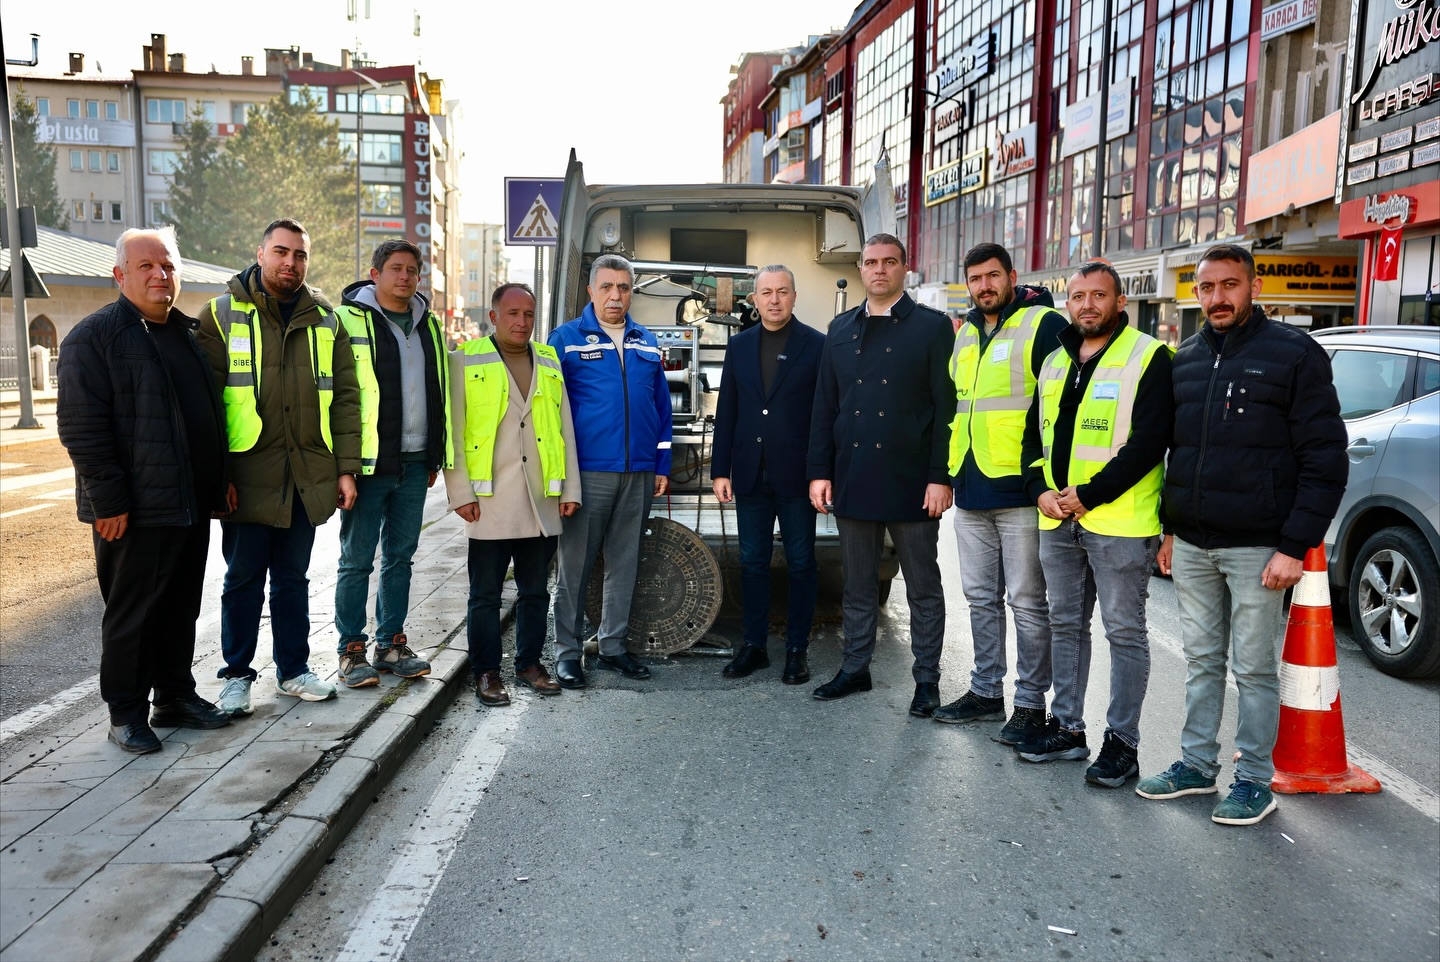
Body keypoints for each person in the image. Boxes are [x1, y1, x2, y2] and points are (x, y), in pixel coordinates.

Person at [1138, 244, 1347, 826]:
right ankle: (1197, 767)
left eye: (1229, 285)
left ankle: (1254, 778)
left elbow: (1325, 458)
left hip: (1260, 546)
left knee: (1253, 668)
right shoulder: (1184, 359)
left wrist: (1294, 545)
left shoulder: (1294, 355)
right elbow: (1177, 453)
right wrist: (1171, 531)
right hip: (1195, 543)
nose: (1217, 298)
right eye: (1206, 288)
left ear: (1252, 287)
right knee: (1202, 661)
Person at [57, 227, 234, 753]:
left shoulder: (185, 334)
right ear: (120, 275)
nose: (161, 275)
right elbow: (82, 427)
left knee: (180, 608)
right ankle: (126, 713)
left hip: (186, 502)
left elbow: (205, 417)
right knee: (133, 614)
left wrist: (217, 481)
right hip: (132, 509)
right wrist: (109, 501)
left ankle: (175, 695)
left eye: (168, 266)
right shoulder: (95, 337)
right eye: (147, 267)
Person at [196, 218, 362, 715]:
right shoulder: (221, 315)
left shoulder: (327, 321)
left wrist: (345, 469)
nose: (290, 263)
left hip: (304, 475)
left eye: (300, 255)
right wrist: (219, 475)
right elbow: (205, 405)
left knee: (293, 579)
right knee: (242, 580)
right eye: (281, 252)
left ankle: (293, 670)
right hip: (246, 477)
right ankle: (236, 677)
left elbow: (348, 401)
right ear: (261, 253)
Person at [1017, 261, 1173, 786]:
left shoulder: (1149, 356)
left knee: (1124, 633)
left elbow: (1149, 445)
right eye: (1078, 295)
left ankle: (1123, 743)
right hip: (1058, 519)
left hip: (1120, 523)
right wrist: (1039, 490)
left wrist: (1088, 495)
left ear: (1120, 301)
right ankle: (1067, 727)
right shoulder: (1056, 360)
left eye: (1098, 295)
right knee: (1066, 626)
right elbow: (1032, 438)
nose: (1087, 304)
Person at [807, 233, 956, 715]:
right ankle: (855, 669)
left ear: (904, 269)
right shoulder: (841, 327)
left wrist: (941, 476)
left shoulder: (932, 328)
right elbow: (826, 405)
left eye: (889, 262)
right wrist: (819, 472)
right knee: (856, 584)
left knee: (922, 586)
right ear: (861, 268)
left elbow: (945, 406)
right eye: (870, 262)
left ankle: (927, 680)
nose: (878, 270)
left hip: (913, 480)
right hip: (853, 474)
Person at [933, 243, 1066, 746]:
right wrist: (946, 475)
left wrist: (1046, 481)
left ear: (1012, 276)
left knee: (1028, 603)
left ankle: (1031, 704)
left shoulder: (1042, 324)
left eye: (993, 276)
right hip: (970, 486)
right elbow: (958, 407)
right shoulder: (965, 333)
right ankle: (986, 692)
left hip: (1022, 490)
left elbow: (1058, 404)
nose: (984, 286)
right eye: (975, 279)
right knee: (980, 599)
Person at [445, 284, 582, 705]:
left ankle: (528, 665)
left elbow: (564, 429)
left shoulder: (548, 359)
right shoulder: (464, 360)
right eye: (513, 314)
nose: (522, 322)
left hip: (540, 500)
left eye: (528, 314)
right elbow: (454, 432)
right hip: (489, 501)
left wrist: (570, 487)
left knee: (536, 591)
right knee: (485, 595)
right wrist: (459, 493)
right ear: (493, 316)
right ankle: (486, 672)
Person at [547, 254, 673, 688]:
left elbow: (661, 406)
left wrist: (661, 463)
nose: (615, 296)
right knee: (575, 568)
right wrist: (561, 476)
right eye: (607, 287)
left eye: (623, 288)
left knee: (625, 563)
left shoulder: (645, 340)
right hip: (587, 474)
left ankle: (613, 646)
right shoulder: (564, 340)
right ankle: (566, 654)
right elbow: (550, 412)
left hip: (637, 472)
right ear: (591, 290)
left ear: (631, 291)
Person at [332, 240, 452, 688]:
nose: (405, 277)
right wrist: (342, 466)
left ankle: (391, 645)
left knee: (400, 557)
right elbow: (338, 397)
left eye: (412, 270)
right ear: (375, 273)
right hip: (368, 464)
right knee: (356, 559)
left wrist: (436, 453)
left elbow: (437, 387)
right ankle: (350, 649)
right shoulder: (346, 321)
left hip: (417, 461)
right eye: (396, 269)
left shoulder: (429, 325)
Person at [711, 265, 824, 685]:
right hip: (749, 475)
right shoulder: (738, 346)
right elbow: (729, 412)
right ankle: (754, 646)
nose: (774, 299)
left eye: (782, 292)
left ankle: (797, 649)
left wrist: (820, 472)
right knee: (753, 562)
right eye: (766, 292)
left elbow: (822, 416)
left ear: (794, 297)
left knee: (800, 563)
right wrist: (719, 468)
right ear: (754, 300)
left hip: (797, 477)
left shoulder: (816, 345)